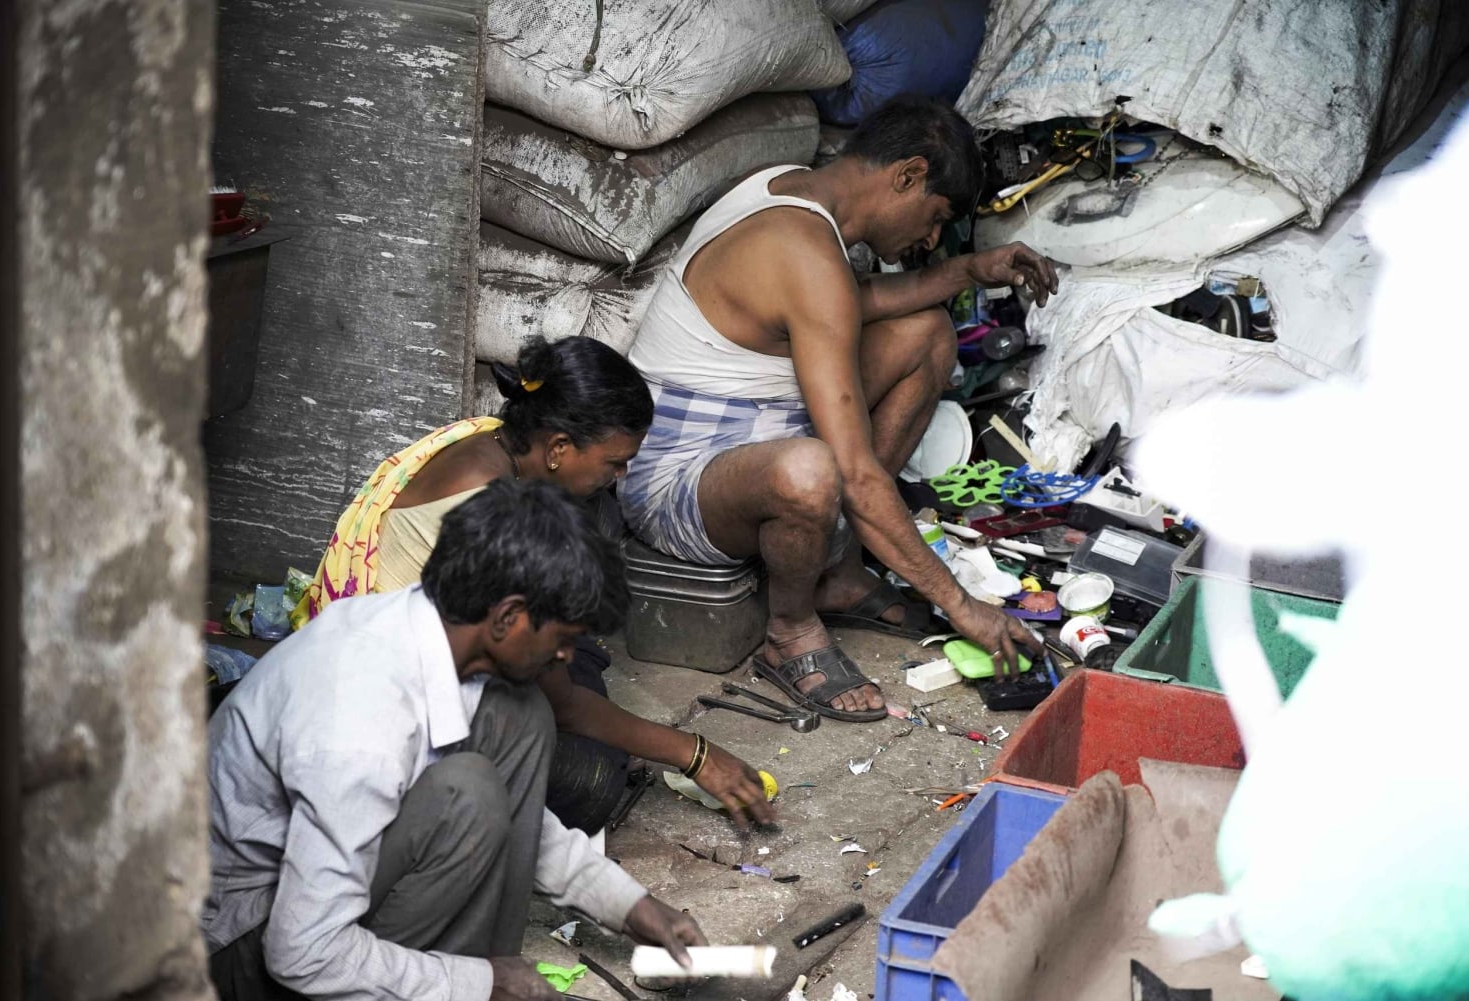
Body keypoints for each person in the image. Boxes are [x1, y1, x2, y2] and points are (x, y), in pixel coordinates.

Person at [619, 95, 1058, 722]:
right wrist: (962, 605)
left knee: (927, 334)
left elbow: (851, 302)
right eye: (935, 217)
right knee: (815, 472)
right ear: (905, 175)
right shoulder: (803, 247)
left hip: (760, 431)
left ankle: (837, 570)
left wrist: (967, 269)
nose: (929, 238)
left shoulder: (788, 190)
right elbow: (851, 469)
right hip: (679, 480)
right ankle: (790, 630)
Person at [206, 481, 707, 1001]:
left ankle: (481, 971)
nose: (565, 658)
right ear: (508, 617)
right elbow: (303, 953)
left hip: (299, 906)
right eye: (561, 640)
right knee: (466, 795)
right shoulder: (358, 722)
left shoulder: (431, 631)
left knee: (521, 714)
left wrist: (628, 905)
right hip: (242, 947)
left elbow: (523, 817)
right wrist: (476, 985)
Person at [294, 336, 775, 830]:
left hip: (414, 637)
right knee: (593, 781)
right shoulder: (495, 515)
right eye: (614, 461)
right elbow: (563, 708)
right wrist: (693, 753)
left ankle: (566, 659)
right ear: (559, 448)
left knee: (595, 529)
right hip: (390, 709)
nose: (622, 473)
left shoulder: (485, 438)